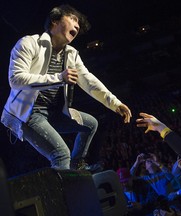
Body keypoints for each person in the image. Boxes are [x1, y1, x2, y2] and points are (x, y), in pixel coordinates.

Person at [1, 4, 132, 171]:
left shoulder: (71, 54)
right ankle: (66, 194)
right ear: (54, 21)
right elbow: (16, 79)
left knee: (91, 124)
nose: (77, 26)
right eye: (73, 19)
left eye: (78, 24)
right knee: (61, 154)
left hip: (54, 112)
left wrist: (114, 103)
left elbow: (88, 80)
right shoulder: (29, 43)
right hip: (28, 113)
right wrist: (58, 78)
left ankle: (76, 164)